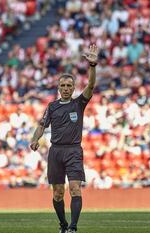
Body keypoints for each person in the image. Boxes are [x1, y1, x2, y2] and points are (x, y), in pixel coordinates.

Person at [30, 44, 99, 233]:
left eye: (69, 85)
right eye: (63, 85)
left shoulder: (79, 103)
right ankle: (62, 224)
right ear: (58, 88)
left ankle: (73, 228)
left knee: (75, 189)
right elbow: (42, 125)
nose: (66, 88)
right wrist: (35, 139)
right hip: (56, 152)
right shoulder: (52, 107)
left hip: (74, 150)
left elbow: (91, 85)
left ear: (73, 87)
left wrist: (92, 66)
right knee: (58, 193)